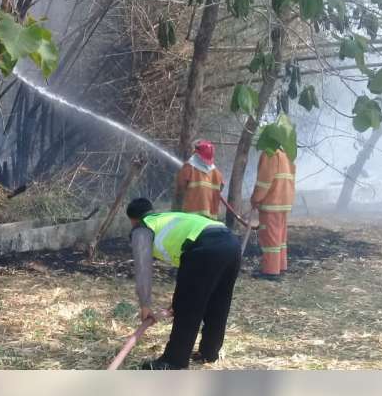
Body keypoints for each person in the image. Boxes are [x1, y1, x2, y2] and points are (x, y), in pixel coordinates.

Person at [126, 198, 242, 370]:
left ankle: (173, 361)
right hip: (231, 242)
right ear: (151, 210)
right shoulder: (167, 217)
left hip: (205, 247)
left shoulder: (142, 229)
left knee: (188, 309)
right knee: (219, 302)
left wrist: (145, 305)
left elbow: (143, 270)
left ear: (132, 220)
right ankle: (209, 352)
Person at [250, 146, 296, 280]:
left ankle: (270, 271)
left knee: (271, 239)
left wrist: (256, 198)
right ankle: (280, 266)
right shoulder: (287, 153)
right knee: (280, 238)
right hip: (283, 202)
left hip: (271, 202)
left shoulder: (270, 153)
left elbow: (264, 181)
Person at [175, 140, 225, 219]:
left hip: (192, 218)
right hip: (211, 219)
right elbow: (221, 187)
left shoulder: (189, 168)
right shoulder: (217, 173)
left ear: (196, 153)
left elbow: (180, 187)